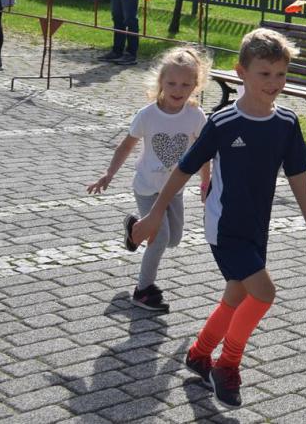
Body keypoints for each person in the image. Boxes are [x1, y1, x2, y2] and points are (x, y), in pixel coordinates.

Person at [130, 29, 306, 409]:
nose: (274, 83)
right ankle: (226, 365)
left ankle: (199, 354)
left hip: (257, 227)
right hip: (224, 227)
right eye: (264, 74)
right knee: (264, 292)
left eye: (280, 74)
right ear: (241, 72)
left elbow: (297, 174)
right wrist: (155, 212)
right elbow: (184, 169)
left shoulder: (287, 122)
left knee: (237, 294)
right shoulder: (223, 122)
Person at [86, 47, 212, 313]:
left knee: (174, 239)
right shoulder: (147, 115)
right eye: (172, 83)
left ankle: (134, 229)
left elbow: (204, 153)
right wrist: (109, 174)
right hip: (146, 188)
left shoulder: (196, 116)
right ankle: (143, 290)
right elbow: (126, 146)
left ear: (196, 85)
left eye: (186, 84)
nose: (178, 90)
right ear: (161, 82)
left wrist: (205, 182)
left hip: (174, 190)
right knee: (161, 238)